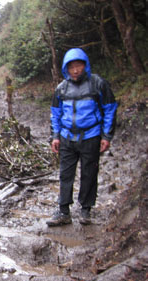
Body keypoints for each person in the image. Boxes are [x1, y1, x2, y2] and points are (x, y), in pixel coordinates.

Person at [47, 48, 117, 226]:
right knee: (65, 174)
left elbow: (109, 109)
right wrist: (55, 136)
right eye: (71, 67)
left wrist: (107, 136)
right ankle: (63, 211)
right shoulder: (61, 88)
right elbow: (55, 113)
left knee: (89, 172)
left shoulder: (97, 84)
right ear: (66, 68)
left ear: (85, 65)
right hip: (66, 137)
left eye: (79, 65)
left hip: (91, 136)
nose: (76, 70)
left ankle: (86, 209)